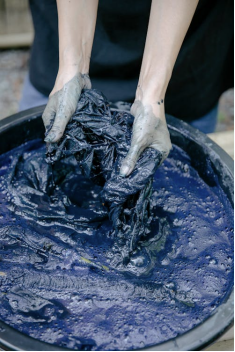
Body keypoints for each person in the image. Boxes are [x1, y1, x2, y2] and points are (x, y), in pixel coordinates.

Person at [20, 0, 234, 177]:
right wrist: (71, 69)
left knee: (183, 168)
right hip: (67, 28)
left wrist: (153, 95)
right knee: (42, 155)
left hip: (183, 52)